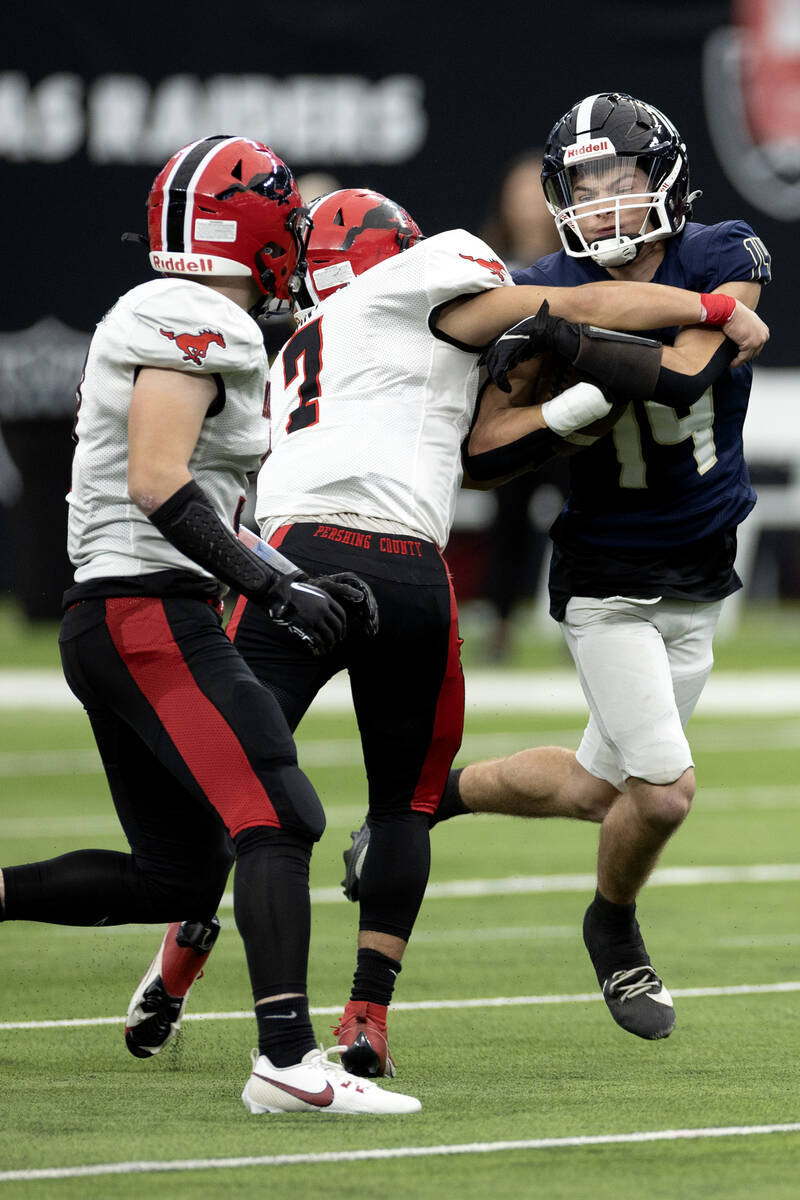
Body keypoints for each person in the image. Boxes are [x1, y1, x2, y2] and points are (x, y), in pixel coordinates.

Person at [131, 173, 767, 1082]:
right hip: (409, 569)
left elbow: (481, 444)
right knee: (435, 801)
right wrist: (664, 330)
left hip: (283, 556)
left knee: (245, 783)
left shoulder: (296, 342)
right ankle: (365, 1018)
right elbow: (564, 340)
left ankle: (178, 960)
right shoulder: (437, 280)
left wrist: (577, 373)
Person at [0, 135, 420, 1116]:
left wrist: (299, 577)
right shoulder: (190, 314)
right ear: (245, 225)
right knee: (279, 815)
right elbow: (160, 482)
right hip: (144, 612)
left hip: (132, 610)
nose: (294, 240)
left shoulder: (192, 311)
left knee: (178, 869)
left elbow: (198, 495)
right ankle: (289, 1063)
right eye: (285, 219)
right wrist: (275, 586)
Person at [345, 93, 772, 1044]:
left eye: (617, 177)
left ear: (663, 178)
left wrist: (565, 341)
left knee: (594, 789)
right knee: (661, 792)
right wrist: (562, 406)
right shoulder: (541, 278)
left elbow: (690, 371)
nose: (601, 199)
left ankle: (425, 802)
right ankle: (613, 926)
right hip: (607, 580)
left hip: (702, 572)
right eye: (583, 182)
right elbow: (484, 448)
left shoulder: (722, 254)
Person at [476, 151, 567, 662]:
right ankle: (501, 624)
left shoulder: (579, 265)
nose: (527, 204)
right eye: (519, 192)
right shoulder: (484, 263)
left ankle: (577, 614)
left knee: (578, 516)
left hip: (565, 406)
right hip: (509, 410)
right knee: (507, 522)